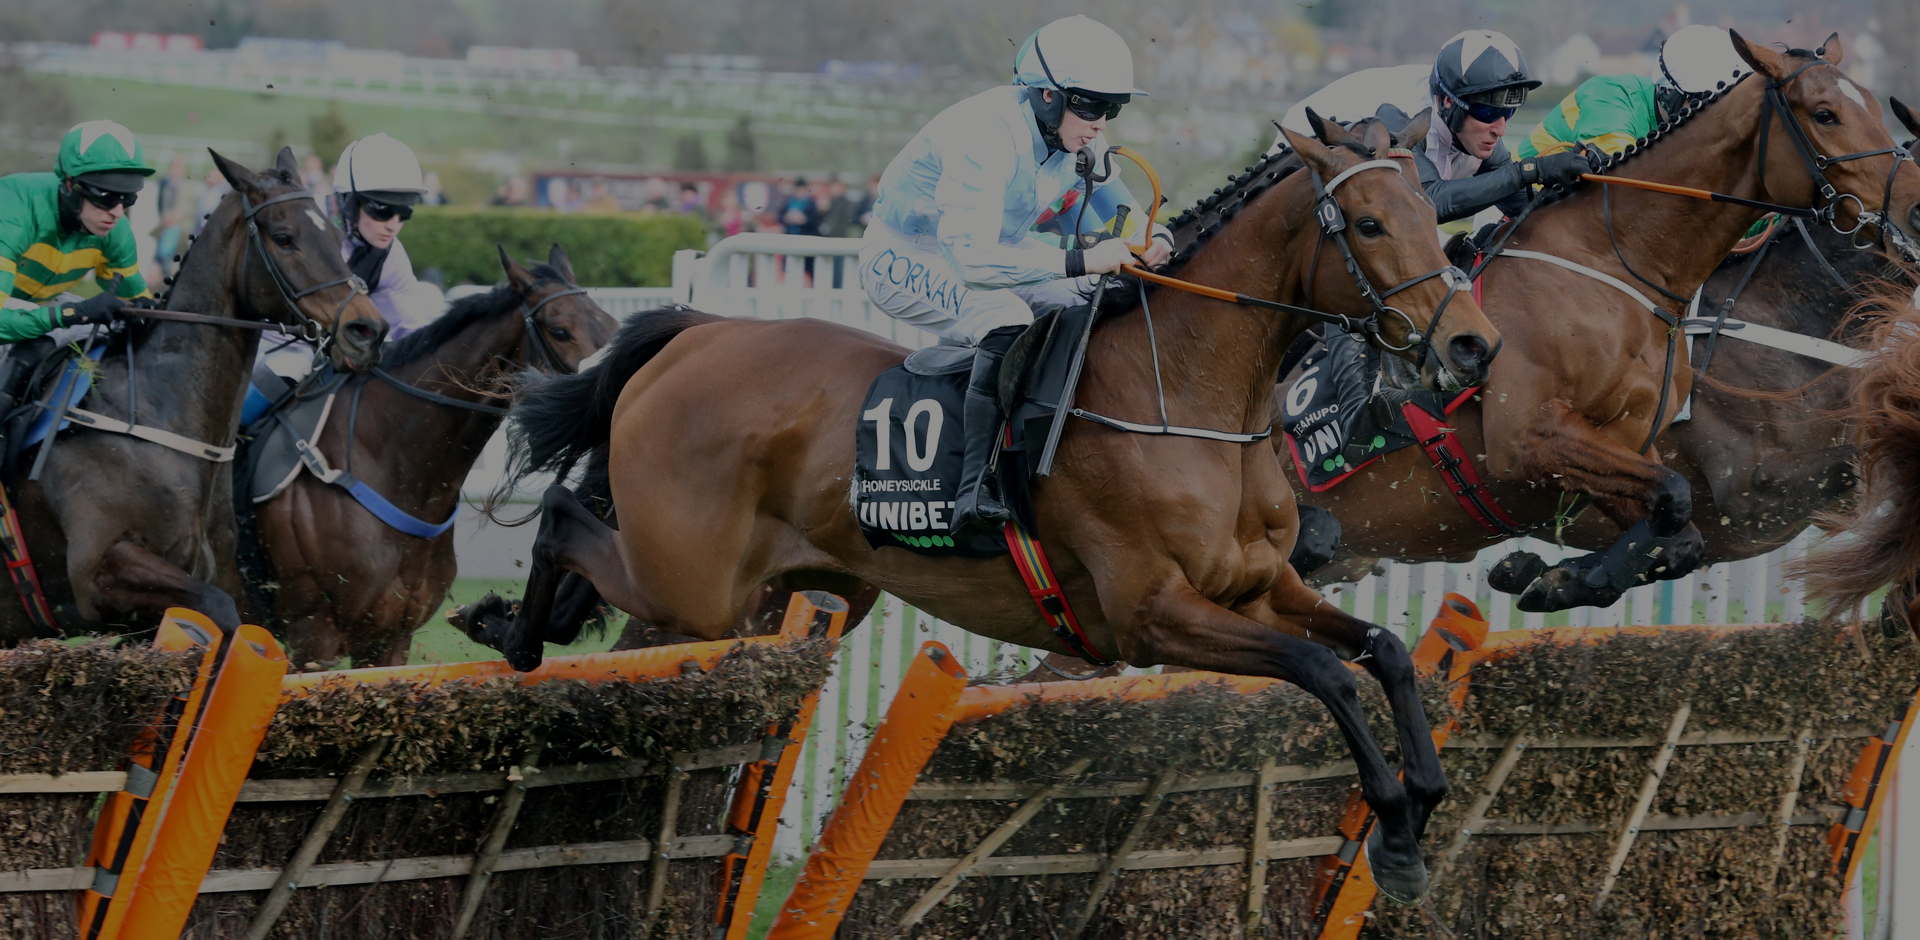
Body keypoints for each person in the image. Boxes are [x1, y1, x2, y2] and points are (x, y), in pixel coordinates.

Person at [860, 14, 1172, 534]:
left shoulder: (1078, 138)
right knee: (1006, 316)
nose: (1100, 123)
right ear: (1046, 96)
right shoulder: (984, 135)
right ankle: (973, 488)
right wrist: (1079, 258)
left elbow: (1131, 221)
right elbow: (973, 261)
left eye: (1112, 108)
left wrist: (1155, 242)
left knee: (1094, 294)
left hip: (992, 251)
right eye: (1091, 105)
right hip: (909, 256)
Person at [1272, 29, 1593, 224]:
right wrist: (1531, 170)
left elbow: (1520, 207)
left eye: (1508, 114)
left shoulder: (1471, 124)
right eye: (1487, 111)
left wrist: (1570, 191)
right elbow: (1427, 204)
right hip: (1299, 163)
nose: (1500, 129)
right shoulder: (1400, 114)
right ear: (1450, 103)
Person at [0, 120, 155, 344]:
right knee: (42, 339)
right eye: (107, 196)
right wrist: (74, 312)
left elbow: (135, 300)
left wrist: (144, 308)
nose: (118, 212)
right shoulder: (14, 212)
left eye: (127, 198)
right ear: (71, 185)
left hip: (36, 302)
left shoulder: (115, 230)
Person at [1520, 25, 1753, 161]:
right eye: (1706, 104)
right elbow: (1625, 184)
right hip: (1517, 207)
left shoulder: (1681, 123)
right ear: (1669, 92)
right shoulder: (1611, 95)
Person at [329, 133, 444, 337]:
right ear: (349, 202)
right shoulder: (301, 226)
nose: (393, 227)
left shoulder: (391, 254)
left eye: (404, 215)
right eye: (383, 211)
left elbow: (412, 332)